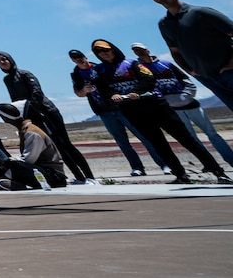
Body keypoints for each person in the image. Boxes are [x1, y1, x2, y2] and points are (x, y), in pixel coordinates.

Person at [88, 38, 230, 185]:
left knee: (186, 139)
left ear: (113, 49)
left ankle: (218, 172)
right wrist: (112, 95)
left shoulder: (132, 63)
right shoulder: (99, 71)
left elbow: (149, 80)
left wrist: (137, 92)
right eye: (98, 51)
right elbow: (103, 90)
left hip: (157, 106)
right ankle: (180, 175)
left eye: (105, 49)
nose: (103, 53)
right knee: (159, 144)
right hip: (133, 112)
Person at [0, 51, 92, 184]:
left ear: (10, 59)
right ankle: (78, 176)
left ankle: (90, 177)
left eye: (4, 59)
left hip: (47, 112)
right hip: (32, 116)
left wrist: (31, 109)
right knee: (57, 148)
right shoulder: (7, 79)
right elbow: (15, 100)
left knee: (65, 145)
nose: (2, 62)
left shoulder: (25, 74)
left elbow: (37, 92)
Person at [134, 42, 233, 163]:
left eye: (141, 49)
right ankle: (209, 163)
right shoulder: (140, 69)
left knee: (212, 133)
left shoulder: (166, 64)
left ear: (147, 50)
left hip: (190, 104)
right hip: (172, 109)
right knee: (191, 137)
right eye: (136, 51)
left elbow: (185, 79)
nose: (139, 52)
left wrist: (188, 95)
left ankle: (230, 159)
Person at [69, 48, 162, 175]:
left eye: (80, 56)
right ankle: (137, 167)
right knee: (122, 142)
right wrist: (84, 90)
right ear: (72, 60)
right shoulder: (76, 75)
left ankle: (163, 164)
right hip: (103, 110)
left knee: (143, 136)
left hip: (121, 106)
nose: (78, 59)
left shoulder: (100, 68)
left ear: (85, 56)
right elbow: (78, 93)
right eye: (75, 58)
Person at [147, 0, 233, 111]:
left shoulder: (201, 13)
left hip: (229, 72)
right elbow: (175, 52)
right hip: (207, 78)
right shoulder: (164, 24)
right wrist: (192, 72)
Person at [0, 104, 69, 188]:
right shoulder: (25, 130)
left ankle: (12, 181)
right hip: (40, 170)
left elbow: (28, 160)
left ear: (5, 118)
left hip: (53, 175)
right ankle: (11, 180)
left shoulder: (32, 133)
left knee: (15, 165)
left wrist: (11, 163)